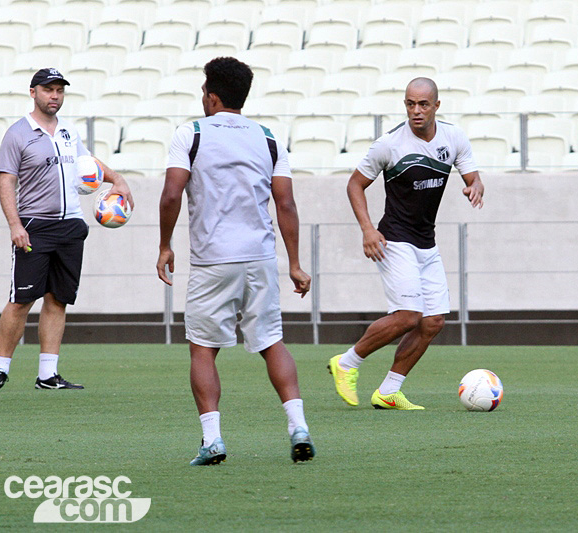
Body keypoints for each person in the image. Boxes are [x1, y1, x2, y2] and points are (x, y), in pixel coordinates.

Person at [157, 57, 314, 465]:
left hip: (213, 260)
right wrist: (295, 263)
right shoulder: (267, 137)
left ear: (211, 96)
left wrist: (164, 245)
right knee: (271, 342)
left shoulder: (190, 132)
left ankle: (213, 440)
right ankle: (298, 426)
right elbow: (286, 203)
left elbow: (172, 194)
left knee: (203, 349)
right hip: (260, 258)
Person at [328, 77, 484, 410]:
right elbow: (355, 185)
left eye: (423, 104)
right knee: (409, 316)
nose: (416, 111)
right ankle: (346, 363)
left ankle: (388, 391)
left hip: (426, 243)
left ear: (436, 106)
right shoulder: (388, 145)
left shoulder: (453, 137)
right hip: (394, 240)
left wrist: (476, 187)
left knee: (434, 321)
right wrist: (368, 230)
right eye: (410, 104)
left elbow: (472, 175)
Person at [0, 68, 133, 392]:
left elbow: (87, 163)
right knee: (21, 299)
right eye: (48, 90)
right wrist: (15, 225)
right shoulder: (17, 133)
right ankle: (0, 368)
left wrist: (117, 179)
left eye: (59, 90)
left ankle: (48, 374)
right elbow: (6, 181)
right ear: (33, 93)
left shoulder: (70, 131)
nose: (54, 96)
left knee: (59, 299)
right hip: (34, 226)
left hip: (71, 225)